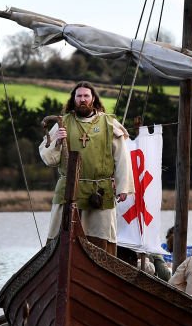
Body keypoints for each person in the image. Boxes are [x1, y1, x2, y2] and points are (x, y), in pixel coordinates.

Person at [39, 82, 134, 256]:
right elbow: (49, 159)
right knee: (62, 234)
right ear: (73, 99)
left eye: (86, 96)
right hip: (68, 188)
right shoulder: (63, 122)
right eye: (79, 96)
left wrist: (123, 188)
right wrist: (57, 142)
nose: (82, 100)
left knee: (100, 238)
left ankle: (100, 270)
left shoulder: (108, 122)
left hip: (99, 190)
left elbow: (122, 157)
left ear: (93, 99)